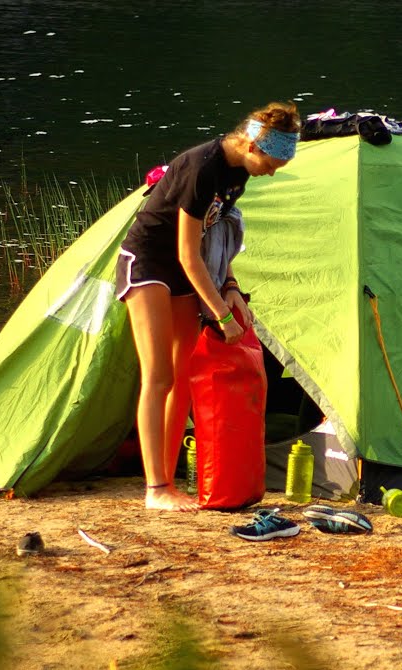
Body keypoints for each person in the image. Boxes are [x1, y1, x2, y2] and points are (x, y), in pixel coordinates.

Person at [116, 101, 301, 511]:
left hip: (185, 271)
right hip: (149, 263)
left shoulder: (238, 174)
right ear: (254, 145)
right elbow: (187, 252)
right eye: (272, 163)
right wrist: (219, 314)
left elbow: (216, 235)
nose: (272, 172)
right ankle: (155, 489)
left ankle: (166, 483)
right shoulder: (202, 167)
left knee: (181, 377)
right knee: (159, 376)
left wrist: (231, 285)